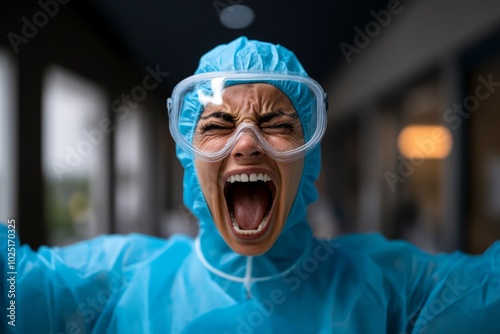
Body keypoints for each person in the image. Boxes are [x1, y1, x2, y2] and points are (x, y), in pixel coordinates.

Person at [1, 36, 500, 334]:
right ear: (188, 156)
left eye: (277, 124)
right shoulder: (114, 283)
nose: (246, 145)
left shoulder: (393, 290)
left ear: (309, 155)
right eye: (217, 126)